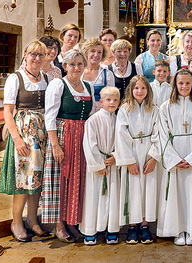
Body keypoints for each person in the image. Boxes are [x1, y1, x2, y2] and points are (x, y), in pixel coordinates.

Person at [0, 41, 50, 242]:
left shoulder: (45, 78)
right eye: (34, 54)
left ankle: (32, 220)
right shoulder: (15, 78)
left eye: (41, 55)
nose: (37, 58)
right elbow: (7, 112)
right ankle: (16, 221)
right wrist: (17, 139)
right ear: (25, 55)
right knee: (23, 180)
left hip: (41, 133)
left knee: (37, 178)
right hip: (24, 133)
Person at [42, 49, 93, 243]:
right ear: (65, 66)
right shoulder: (58, 84)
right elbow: (50, 116)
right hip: (63, 136)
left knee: (77, 180)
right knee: (60, 181)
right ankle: (59, 226)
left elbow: (91, 115)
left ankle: (72, 221)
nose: (76, 68)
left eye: (80, 64)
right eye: (72, 64)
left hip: (82, 137)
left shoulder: (88, 86)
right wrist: (55, 145)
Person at [157, 69, 192, 246]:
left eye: (188, 83)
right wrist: (174, 158)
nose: (184, 86)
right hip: (175, 156)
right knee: (176, 194)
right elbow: (162, 135)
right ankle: (177, 230)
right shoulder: (166, 107)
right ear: (175, 85)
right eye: (181, 83)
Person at [115, 75, 161, 244]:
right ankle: (132, 226)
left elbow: (159, 134)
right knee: (133, 190)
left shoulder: (155, 110)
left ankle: (145, 225)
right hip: (132, 154)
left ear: (148, 90)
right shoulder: (124, 109)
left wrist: (154, 157)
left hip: (149, 154)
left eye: (143, 88)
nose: (139, 91)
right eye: (136, 88)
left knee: (148, 189)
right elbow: (120, 135)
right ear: (130, 90)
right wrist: (128, 160)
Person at [80, 86, 121, 246]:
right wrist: (98, 165)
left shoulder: (119, 119)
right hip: (98, 167)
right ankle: (90, 231)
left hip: (112, 163)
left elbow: (124, 142)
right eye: (108, 100)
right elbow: (89, 144)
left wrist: (116, 157)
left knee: (112, 197)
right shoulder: (93, 120)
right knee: (94, 197)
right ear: (101, 101)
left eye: (115, 100)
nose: (112, 103)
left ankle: (111, 230)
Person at [81, 38, 115, 113]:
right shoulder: (79, 72)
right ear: (86, 52)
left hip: (100, 114)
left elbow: (111, 98)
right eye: (93, 51)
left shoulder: (108, 74)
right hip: (81, 113)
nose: (96, 55)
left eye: (99, 52)